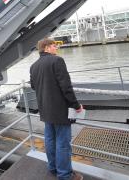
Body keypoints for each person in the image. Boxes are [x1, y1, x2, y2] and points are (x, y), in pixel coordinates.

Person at [30, 38, 83, 180]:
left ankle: (53, 168)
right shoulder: (57, 61)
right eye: (54, 46)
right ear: (46, 48)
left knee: (50, 140)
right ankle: (65, 175)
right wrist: (76, 106)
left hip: (45, 110)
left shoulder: (34, 66)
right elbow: (66, 87)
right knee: (63, 144)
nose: (56, 49)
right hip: (60, 111)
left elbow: (34, 86)